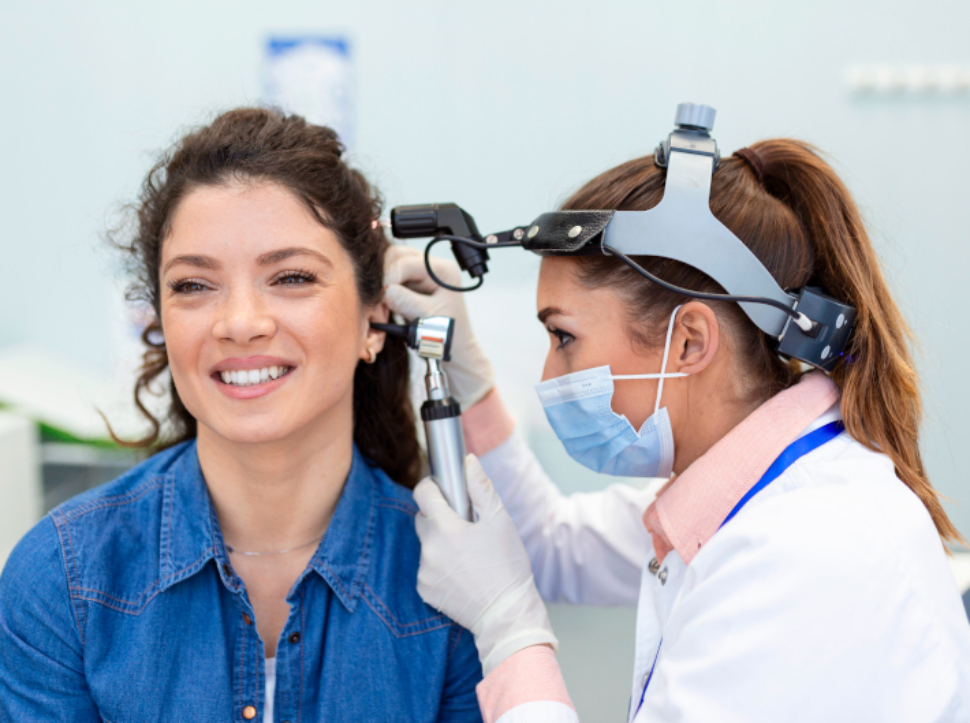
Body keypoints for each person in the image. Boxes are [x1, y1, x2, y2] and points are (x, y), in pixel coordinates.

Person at [384, 138, 970, 721]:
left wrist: (507, 628)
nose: (547, 375)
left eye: (563, 337)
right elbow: (550, 544)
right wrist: (470, 376)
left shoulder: (804, 551)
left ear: (689, 341)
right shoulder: (741, 493)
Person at [0, 108, 483, 722]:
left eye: (291, 276)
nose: (241, 323)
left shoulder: (452, 580)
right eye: (194, 286)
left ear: (373, 322)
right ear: (161, 324)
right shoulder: (63, 579)